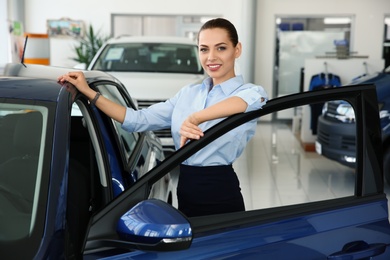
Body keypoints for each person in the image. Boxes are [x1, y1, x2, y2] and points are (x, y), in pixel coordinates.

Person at [58, 17, 268, 217]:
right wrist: (89, 93)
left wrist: (195, 118)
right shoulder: (188, 93)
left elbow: (249, 102)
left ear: (237, 49)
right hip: (185, 189)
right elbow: (136, 120)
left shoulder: (249, 92)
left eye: (221, 48)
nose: (211, 57)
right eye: (204, 49)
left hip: (221, 191)